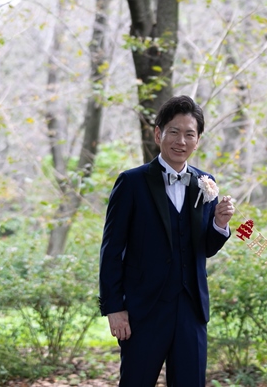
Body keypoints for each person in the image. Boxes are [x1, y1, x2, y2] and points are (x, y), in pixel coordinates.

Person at [99, 96, 236, 387]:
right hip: (143, 310)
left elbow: (205, 247)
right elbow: (112, 249)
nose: (181, 140)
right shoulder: (131, 183)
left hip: (191, 310)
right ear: (158, 133)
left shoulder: (205, 182)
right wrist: (114, 307)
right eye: (174, 132)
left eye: (189, 134)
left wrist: (219, 224)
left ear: (198, 140)